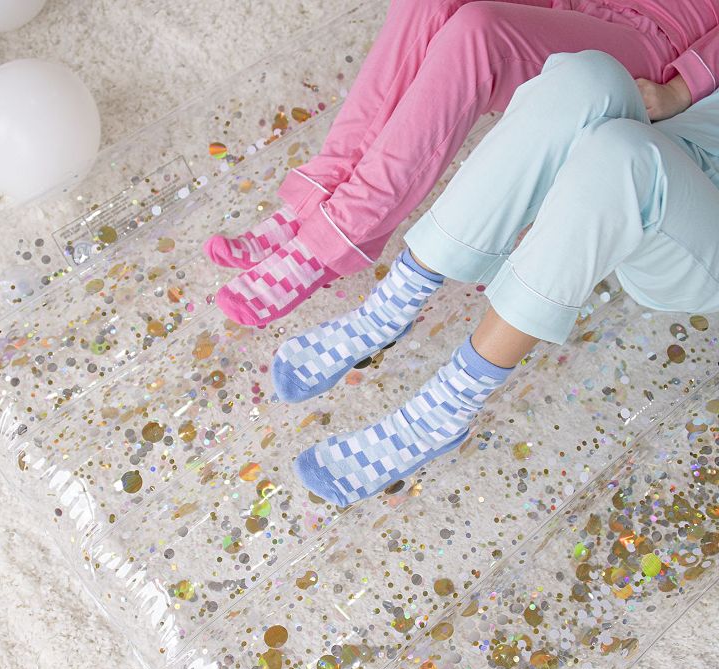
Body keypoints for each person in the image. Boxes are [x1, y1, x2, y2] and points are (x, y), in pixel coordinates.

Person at [268, 49, 719, 506]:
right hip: (687, 137)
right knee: (589, 76)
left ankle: (445, 409)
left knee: (626, 155)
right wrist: (682, 89)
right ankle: (391, 304)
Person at [205, 0, 719, 327]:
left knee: (480, 30)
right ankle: (315, 203)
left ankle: (339, 233)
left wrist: (682, 87)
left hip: (654, 34)